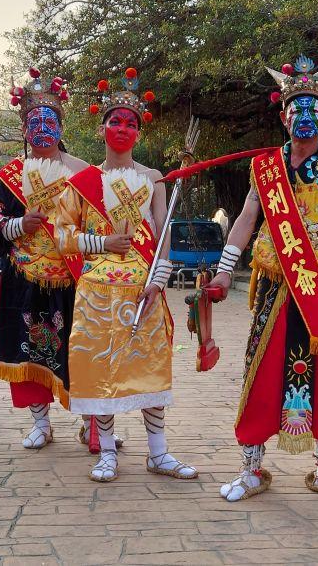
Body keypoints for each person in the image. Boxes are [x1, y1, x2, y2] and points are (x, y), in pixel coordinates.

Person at [209, 56, 318, 503]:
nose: (304, 116)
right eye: (296, 109)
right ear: (283, 116)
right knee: (263, 370)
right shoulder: (266, 167)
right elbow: (248, 220)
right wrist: (226, 271)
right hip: (274, 287)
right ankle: (252, 469)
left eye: (312, 108)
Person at [53, 68, 195, 482]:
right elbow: (62, 236)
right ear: (102, 128)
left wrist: (159, 280)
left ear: (139, 132)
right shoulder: (81, 183)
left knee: (150, 364)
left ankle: (158, 452)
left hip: (142, 288)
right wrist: (102, 245)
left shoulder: (153, 179)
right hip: (96, 290)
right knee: (100, 368)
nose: (122, 128)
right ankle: (108, 452)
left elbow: (163, 231)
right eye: (115, 120)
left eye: (130, 123)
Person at [0, 67, 104, 449]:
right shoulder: (10, 175)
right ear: (24, 130)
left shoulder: (83, 171)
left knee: (82, 347)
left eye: (49, 119)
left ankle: (93, 422)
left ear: (60, 125)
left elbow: (100, 222)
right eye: (34, 120)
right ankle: (41, 423)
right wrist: (21, 224)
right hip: (25, 276)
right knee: (29, 346)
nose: (42, 127)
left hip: (75, 274)